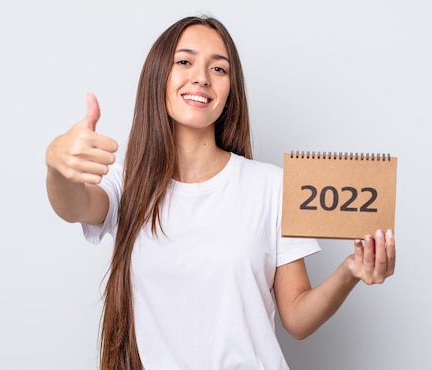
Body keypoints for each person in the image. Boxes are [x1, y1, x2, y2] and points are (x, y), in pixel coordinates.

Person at [45, 15, 395, 370]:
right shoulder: (127, 184)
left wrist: (349, 271)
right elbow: (74, 205)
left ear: (230, 91)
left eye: (219, 69)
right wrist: (57, 168)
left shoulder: (271, 186)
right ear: (158, 77)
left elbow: (297, 319)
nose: (201, 77)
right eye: (185, 61)